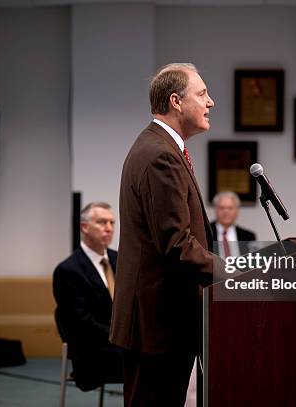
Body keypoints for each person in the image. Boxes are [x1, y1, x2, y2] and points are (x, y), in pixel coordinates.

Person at [110, 63, 223, 406]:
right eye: (202, 94)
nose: (211, 102)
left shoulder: (160, 147)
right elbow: (176, 244)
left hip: (159, 319)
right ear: (176, 101)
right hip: (156, 322)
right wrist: (231, 273)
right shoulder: (160, 155)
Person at [52, 202, 123, 391]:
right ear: (84, 227)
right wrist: (124, 337)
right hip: (92, 353)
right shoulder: (68, 270)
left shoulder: (121, 260)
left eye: (112, 223)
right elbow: (81, 324)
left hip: (122, 345)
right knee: (154, 361)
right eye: (101, 222)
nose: (109, 228)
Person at [210, 191, 257, 258]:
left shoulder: (248, 236)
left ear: (237, 210)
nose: (226, 212)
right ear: (215, 209)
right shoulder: (206, 232)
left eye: (230, 208)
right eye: (222, 208)